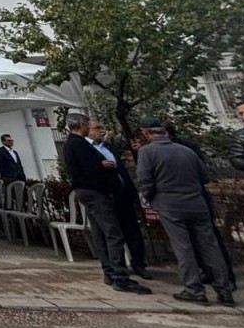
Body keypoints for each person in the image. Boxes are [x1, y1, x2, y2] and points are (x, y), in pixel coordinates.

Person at [135, 118, 233, 306]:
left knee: (183, 246)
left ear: (146, 134)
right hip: (196, 203)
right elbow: (204, 176)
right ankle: (224, 290)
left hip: (169, 204)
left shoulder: (147, 152)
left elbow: (144, 180)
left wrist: (148, 198)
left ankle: (194, 290)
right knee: (210, 246)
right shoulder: (187, 151)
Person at [64, 114, 150, 294]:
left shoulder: (78, 144)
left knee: (103, 233)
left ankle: (113, 271)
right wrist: (102, 166)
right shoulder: (78, 144)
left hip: (104, 193)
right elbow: (89, 170)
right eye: (90, 125)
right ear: (82, 125)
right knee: (112, 234)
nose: (93, 128)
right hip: (97, 193)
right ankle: (119, 276)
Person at [86, 119, 151, 279]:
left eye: (102, 127)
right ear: (87, 130)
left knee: (132, 230)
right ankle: (114, 268)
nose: (102, 131)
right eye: (97, 128)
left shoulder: (109, 147)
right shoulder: (85, 149)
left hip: (123, 194)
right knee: (109, 233)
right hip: (104, 196)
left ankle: (138, 263)